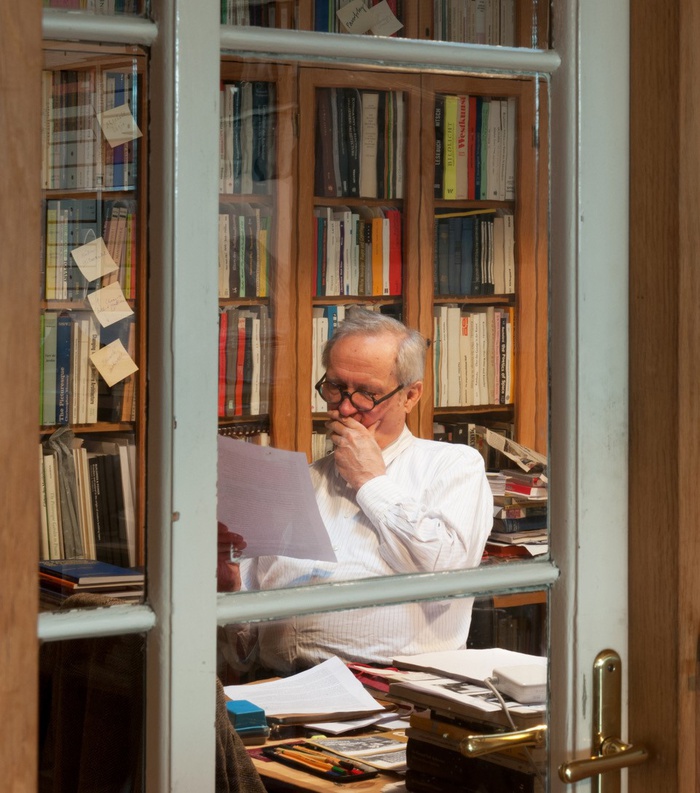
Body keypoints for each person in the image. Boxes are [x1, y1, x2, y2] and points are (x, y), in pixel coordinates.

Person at [226, 308, 493, 675]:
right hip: (277, 684)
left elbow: (444, 575)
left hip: (393, 691)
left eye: (367, 393)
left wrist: (371, 482)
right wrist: (230, 589)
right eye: (335, 387)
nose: (346, 408)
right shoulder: (298, 483)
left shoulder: (454, 465)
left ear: (411, 395)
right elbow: (244, 633)